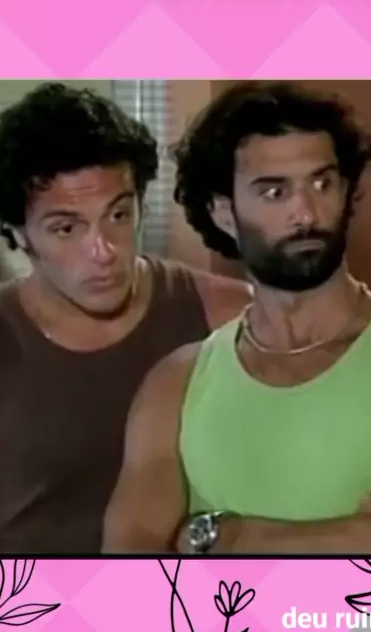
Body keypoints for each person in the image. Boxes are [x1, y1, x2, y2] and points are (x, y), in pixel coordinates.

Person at [103, 81, 371, 555]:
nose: (306, 213)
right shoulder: (175, 384)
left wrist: (226, 536)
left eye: (322, 184)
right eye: (274, 192)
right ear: (223, 213)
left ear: (346, 190)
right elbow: (127, 568)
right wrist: (354, 535)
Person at [0, 82, 250, 554]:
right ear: (19, 233)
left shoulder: (226, 316)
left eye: (118, 214)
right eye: (66, 228)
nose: (103, 251)